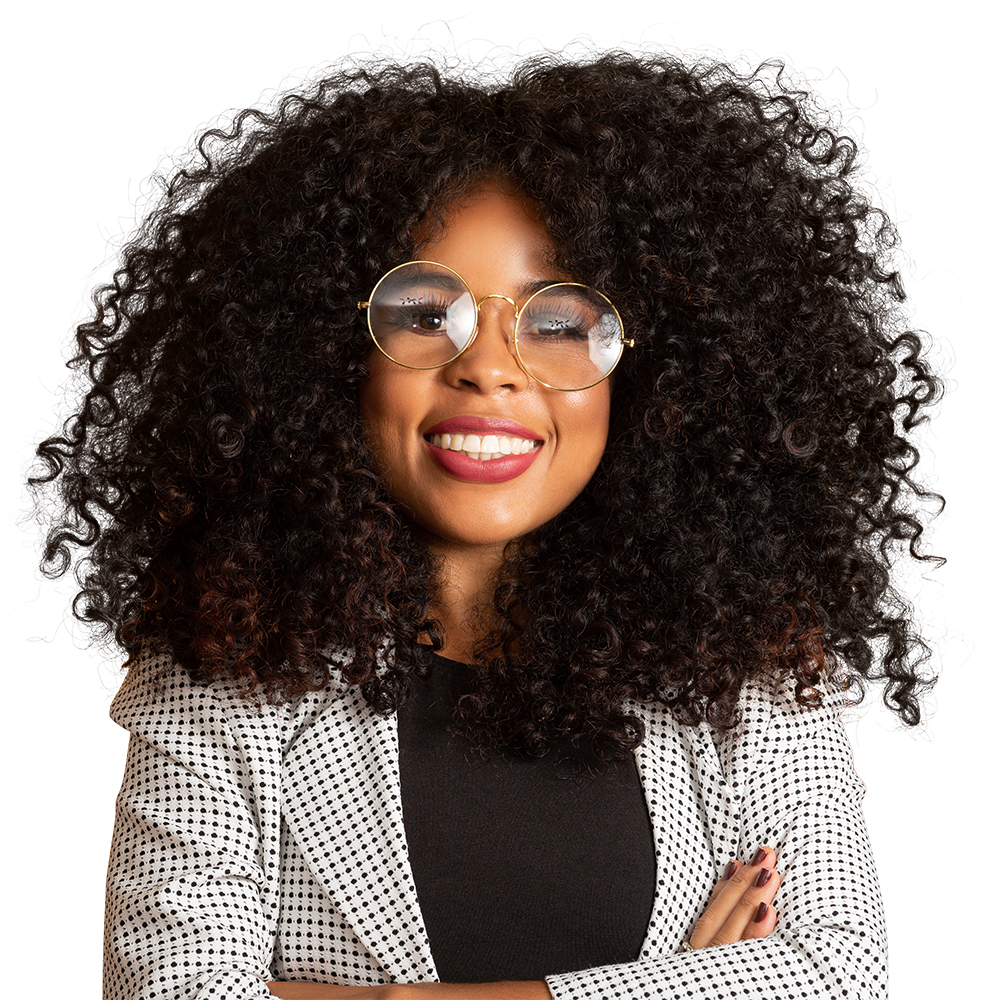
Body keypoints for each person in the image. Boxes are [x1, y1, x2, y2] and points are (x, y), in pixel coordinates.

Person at [30, 52, 941, 1000]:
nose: (490, 369)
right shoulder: (223, 668)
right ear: (319, 349)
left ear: (655, 373)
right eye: (426, 313)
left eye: (558, 323)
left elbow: (834, 973)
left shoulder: (740, 665)